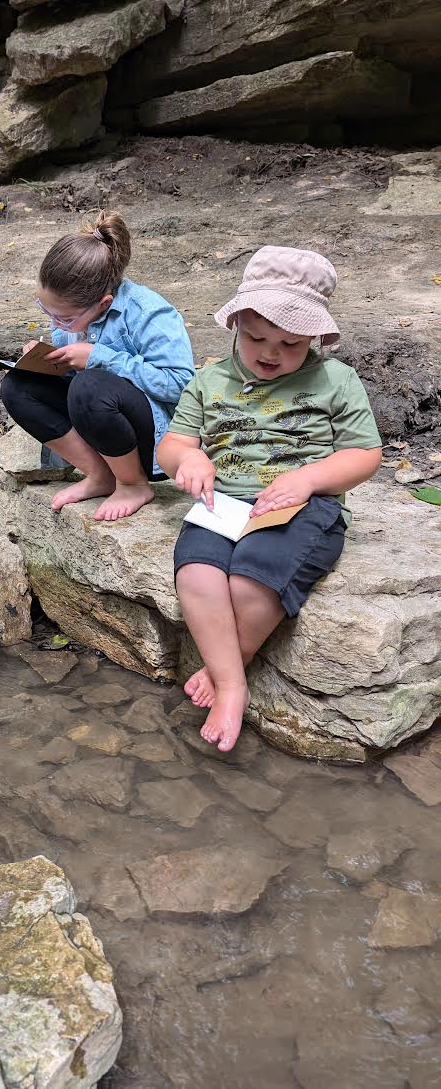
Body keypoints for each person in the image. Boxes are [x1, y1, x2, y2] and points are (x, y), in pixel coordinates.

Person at [157, 245, 382, 752]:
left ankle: (228, 680)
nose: (270, 353)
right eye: (256, 337)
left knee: (252, 579)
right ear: (235, 322)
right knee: (196, 571)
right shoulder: (210, 380)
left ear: (316, 339)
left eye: (291, 344)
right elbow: (173, 444)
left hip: (301, 505)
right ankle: (230, 677)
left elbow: (365, 454)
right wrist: (187, 460)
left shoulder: (334, 380)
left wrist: (309, 478)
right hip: (223, 501)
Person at [0, 211, 195, 521]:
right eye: (47, 312)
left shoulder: (149, 312)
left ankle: (133, 484)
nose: (56, 323)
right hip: (101, 427)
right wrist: (46, 360)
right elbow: (70, 368)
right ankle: (100, 474)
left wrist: (100, 357)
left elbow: (183, 386)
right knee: (17, 386)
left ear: (103, 303)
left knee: (89, 385)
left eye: (64, 318)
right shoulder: (71, 315)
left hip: (152, 440)